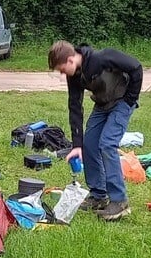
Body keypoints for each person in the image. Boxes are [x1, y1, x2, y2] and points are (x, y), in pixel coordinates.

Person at [49, 41, 143, 222]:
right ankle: (99, 196)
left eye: (61, 70)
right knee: (89, 145)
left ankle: (119, 201)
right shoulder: (74, 76)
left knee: (107, 144)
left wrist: (131, 99)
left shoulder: (103, 58)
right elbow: (75, 106)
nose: (61, 74)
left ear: (70, 60)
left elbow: (136, 67)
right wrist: (77, 145)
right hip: (102, 106)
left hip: (122, 102)